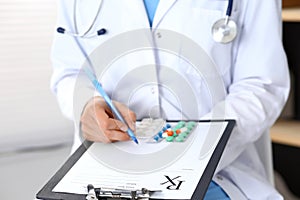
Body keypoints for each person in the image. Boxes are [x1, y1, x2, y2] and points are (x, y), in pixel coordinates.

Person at [50, 0, 290, 199]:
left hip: (217, 172)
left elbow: (261, 84)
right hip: (105, 171)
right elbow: (69, 72)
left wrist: (198, 148)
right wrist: (87, 106)